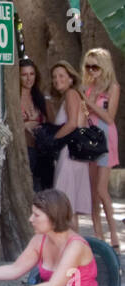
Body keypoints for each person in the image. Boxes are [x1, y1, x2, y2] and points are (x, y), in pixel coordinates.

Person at [81, 48, 120, 249]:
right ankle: (98, 235)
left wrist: (88, 103)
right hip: (90, 138)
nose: (91, 71)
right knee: (92, 192)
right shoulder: (88, 87)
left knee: (101, 189)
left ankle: (113, 232)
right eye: (88, 66)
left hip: (105, 136)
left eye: (95, 66)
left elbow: (109, 117)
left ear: (103, 66)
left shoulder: (113, 87)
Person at [50, 60, 93, 226]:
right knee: (71, 210)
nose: (57, 80)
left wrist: (52, 140)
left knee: (65, 205)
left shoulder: (71, 94)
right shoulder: (73, 95)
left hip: (69, 154)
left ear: (70, 78)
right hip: (75, 155)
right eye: (54, 77)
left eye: (61, 75)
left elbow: (73, 123)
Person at [20, 57, 54, 193]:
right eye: (24, 75)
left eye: (32, 74)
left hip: (42, 152)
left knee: (42, 191)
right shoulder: (14, 99)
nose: (29, 78)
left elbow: (51, 123)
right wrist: (26, 125)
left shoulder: (40, 98)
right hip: (24, 151)